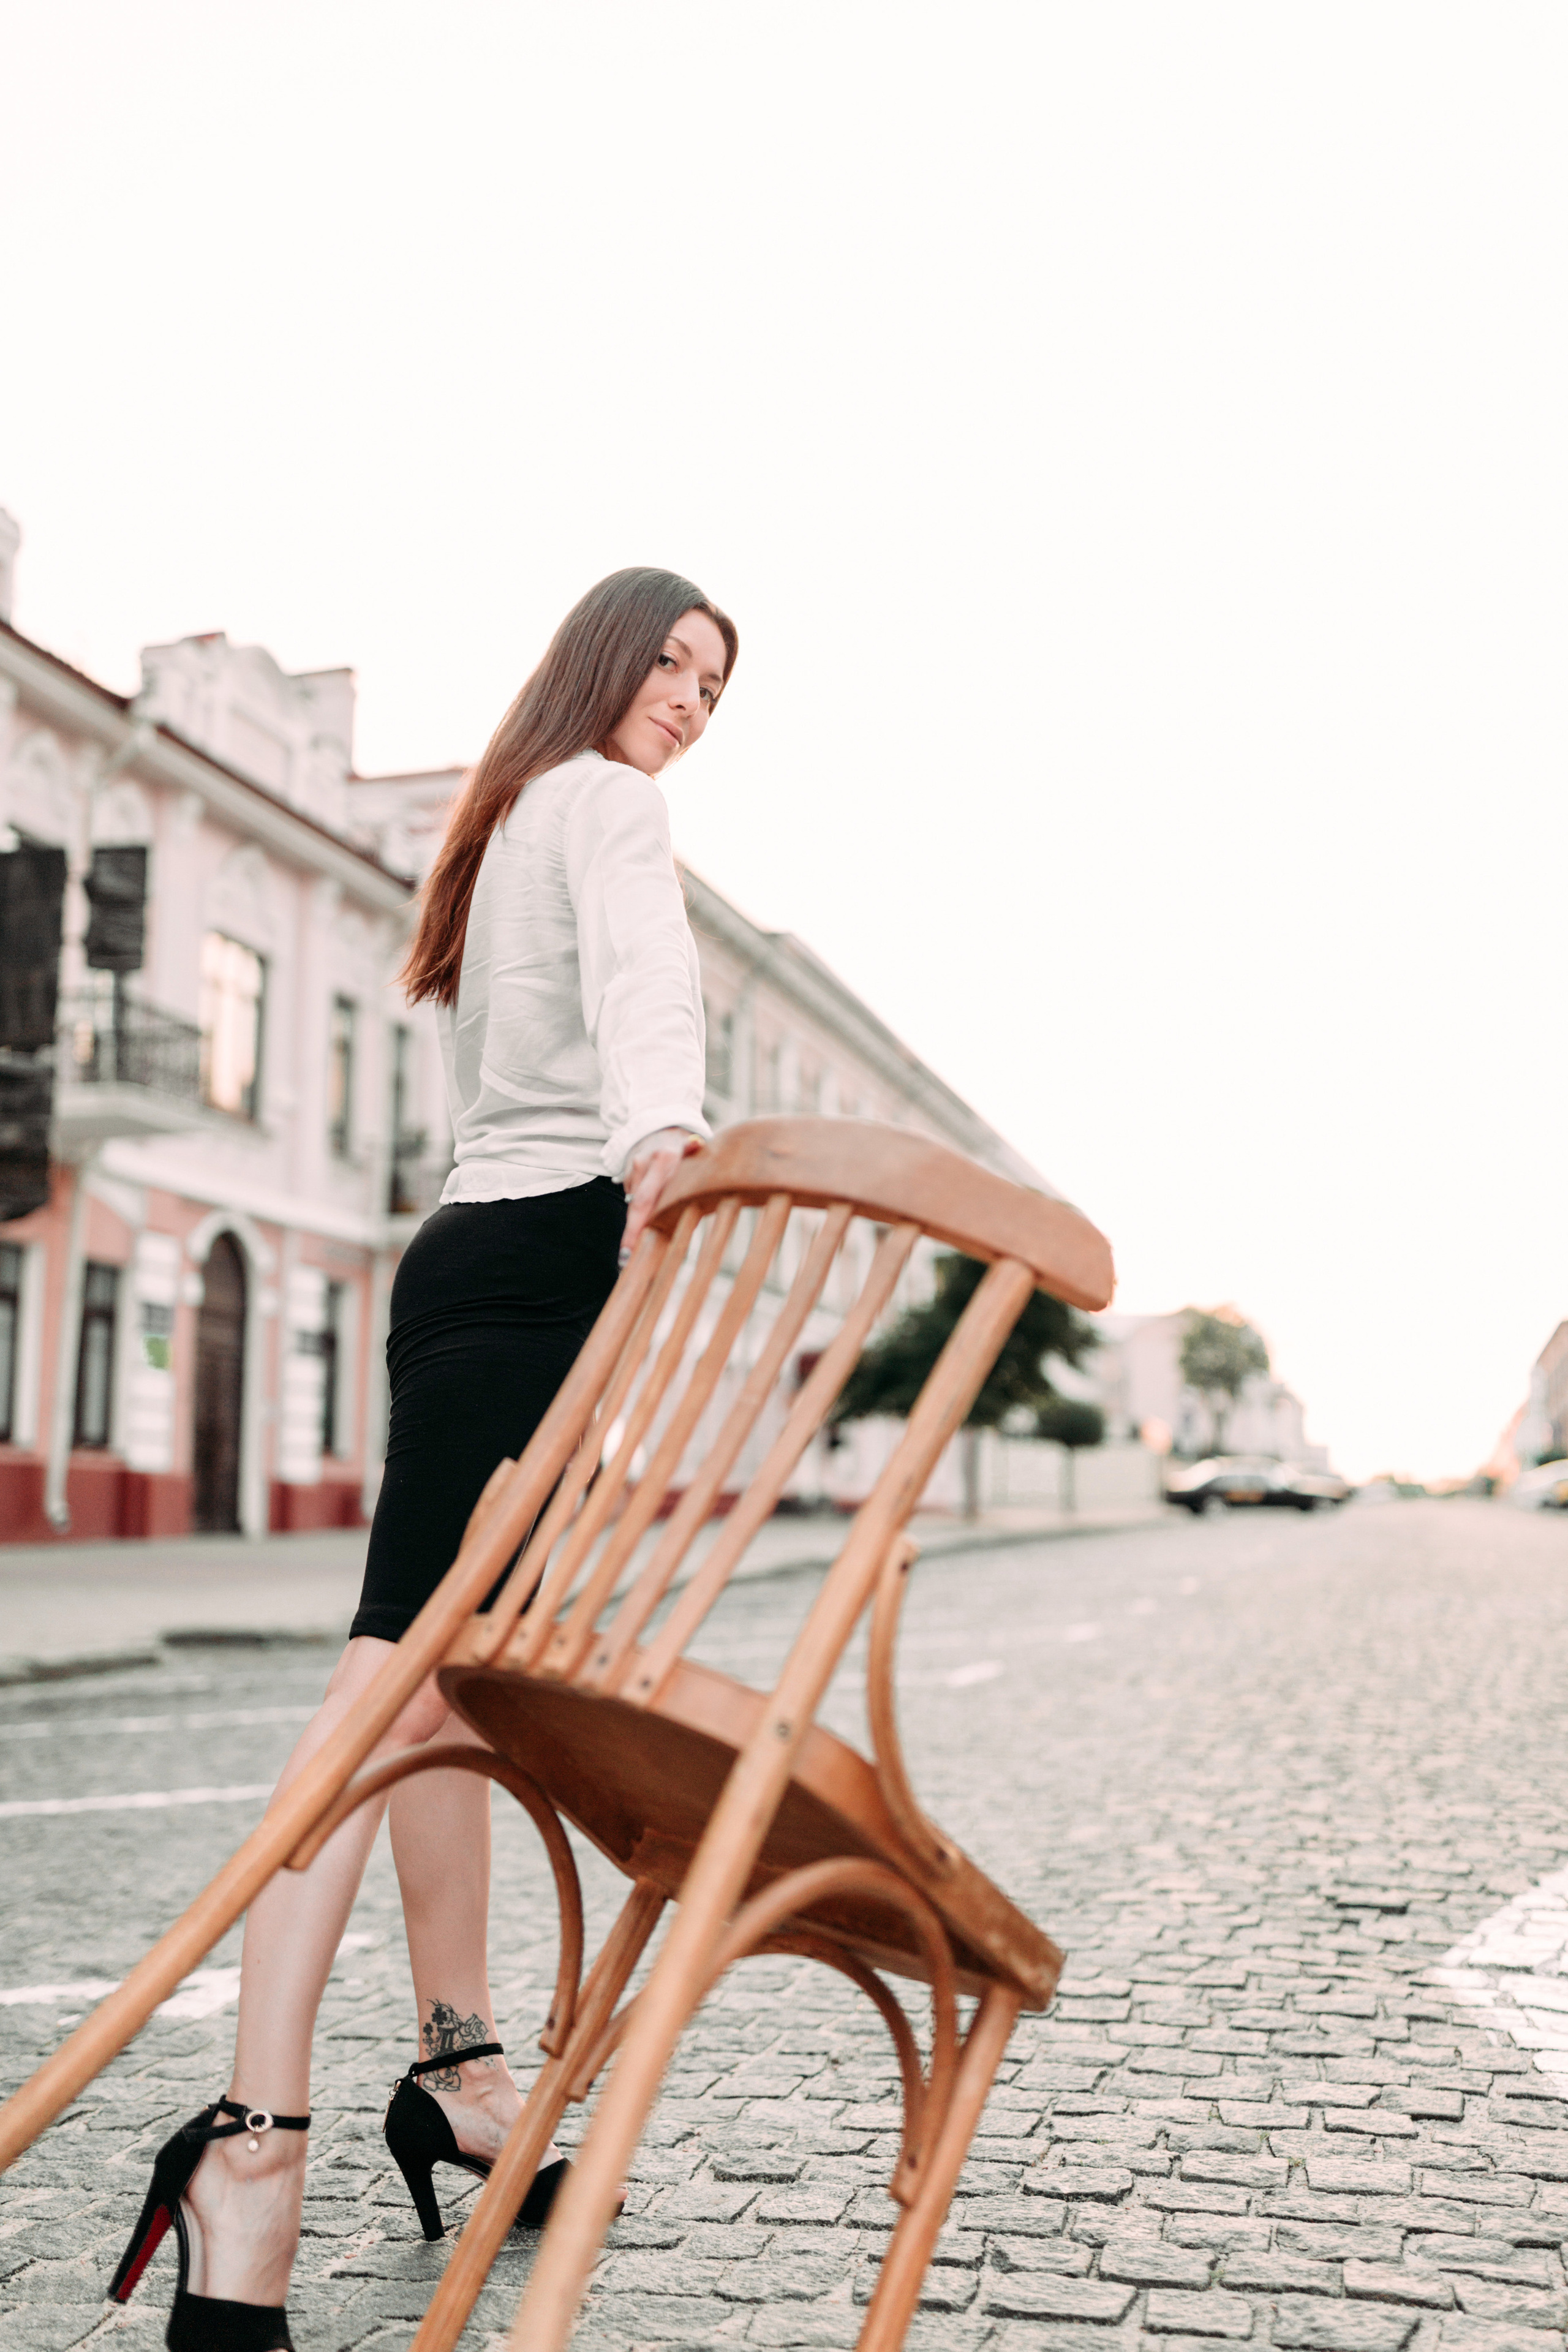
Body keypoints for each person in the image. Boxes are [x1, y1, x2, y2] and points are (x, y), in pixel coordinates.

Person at [108, 568, 737, 2350]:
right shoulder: (608, 807)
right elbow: (645, 989)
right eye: (673, 663)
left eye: (715, 686)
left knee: (437, 1696)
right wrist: (667, 1143)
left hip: (466, 1254)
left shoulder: (509, 819)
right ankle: (255, 2140)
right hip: (539, 1260)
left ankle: (458, 2072)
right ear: (605, 663)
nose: (691, 701)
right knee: (390, 1701)